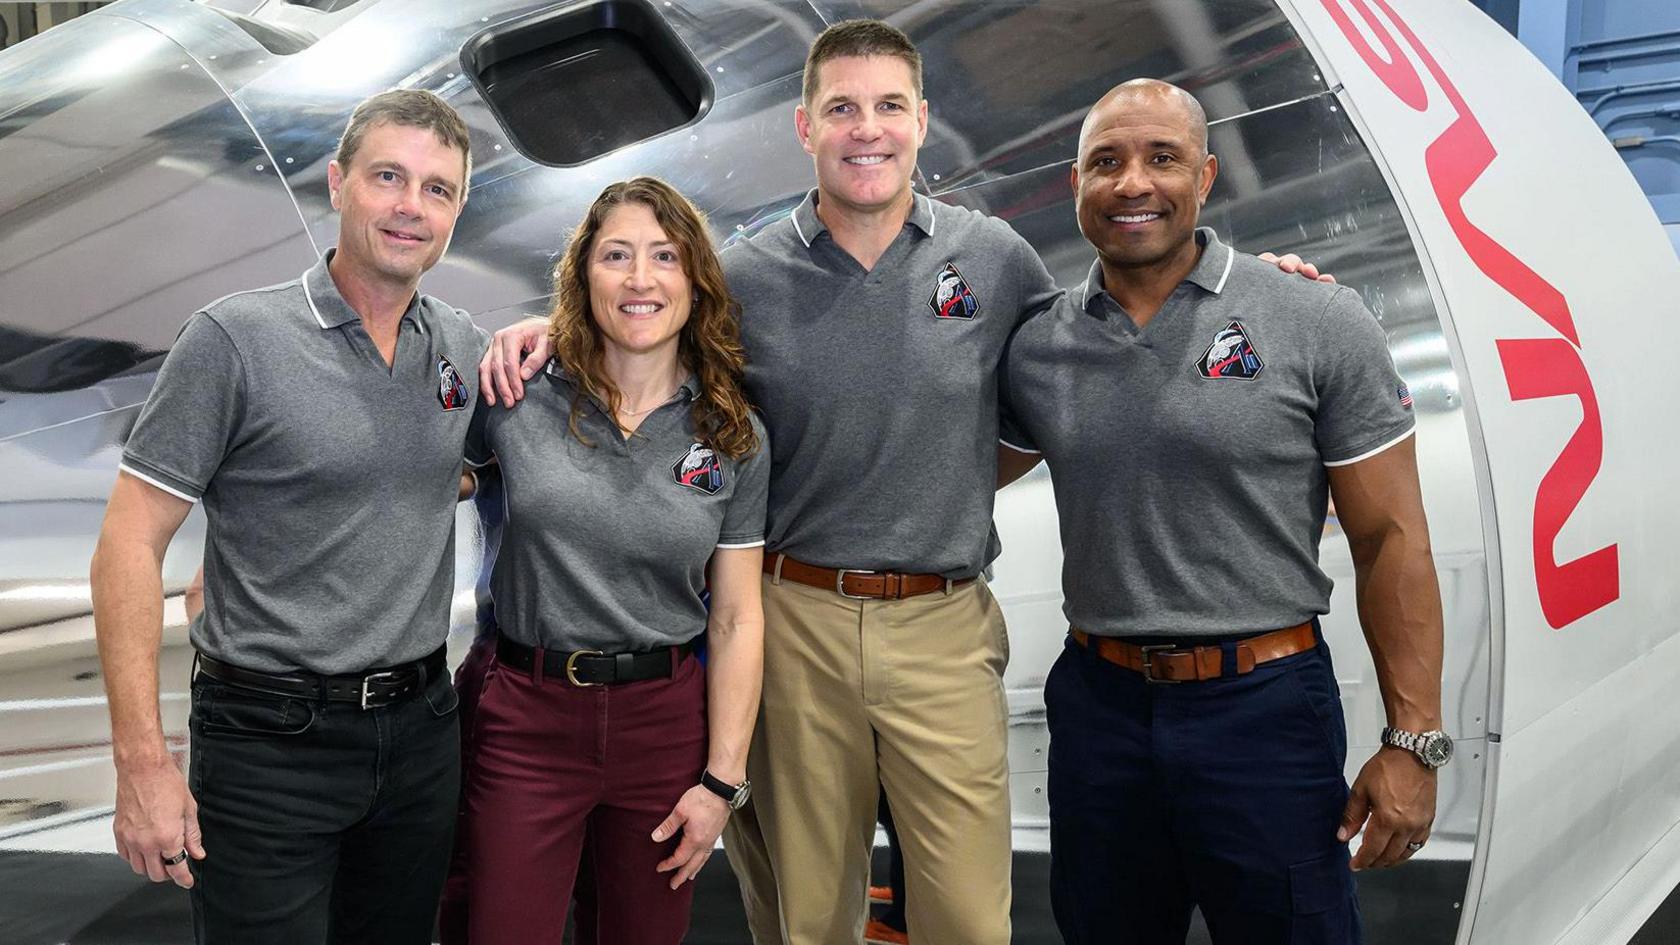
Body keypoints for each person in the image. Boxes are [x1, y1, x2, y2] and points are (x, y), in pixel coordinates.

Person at [997, 79, 1447, 945]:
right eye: (1107, 162)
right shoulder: (1041, 344)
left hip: (1265, 709)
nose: (1134, 182)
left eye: (1162, 158)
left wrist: (1413, 740)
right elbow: (946, 473)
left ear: (1206, 177)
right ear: (1074, 185)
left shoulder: (1314, 316)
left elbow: (1390, 537)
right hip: (1099, 709)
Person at [89, 89, 485, 943]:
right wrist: (142, 763)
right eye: (389, 177)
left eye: (438, 189)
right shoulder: (235, 339)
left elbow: (431, 475)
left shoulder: (460, 345)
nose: (411, 206)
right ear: (337, 183)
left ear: (456, 211)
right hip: (269, 744)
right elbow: (129, 538)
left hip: (420, 734)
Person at [459, 176, 769, 945]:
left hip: (663, 726)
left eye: (665, 256)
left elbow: (735, 617)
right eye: (616, 255)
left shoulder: (733, 434)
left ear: (694, 280)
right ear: (582, 276)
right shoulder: (514, 395)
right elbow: (413, 482)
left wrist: (721, 781)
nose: (640, 279)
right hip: (525, 716)